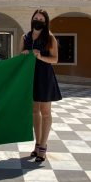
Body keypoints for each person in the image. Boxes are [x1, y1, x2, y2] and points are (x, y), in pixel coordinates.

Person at [20, 9, 62, 162]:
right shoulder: (25, 37)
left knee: (45, 112)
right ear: (32, 19)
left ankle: (43, 146)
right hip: (30, 77)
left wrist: (40, 56)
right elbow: (20, 57)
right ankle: (37, 144)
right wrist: (24, 54)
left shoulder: (50, 37)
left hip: (44, 76)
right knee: (34, 111)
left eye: (41, 19)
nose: (38, 20)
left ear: (45, 22)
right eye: (35, 18)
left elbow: (55, 59)